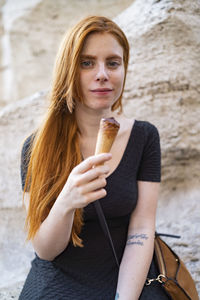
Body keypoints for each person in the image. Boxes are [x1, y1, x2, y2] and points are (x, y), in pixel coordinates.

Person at [19, 16, 170, 300]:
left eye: (113, 62)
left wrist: (124, 298)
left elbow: (141, 228)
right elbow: (46, 249)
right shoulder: (37, 147)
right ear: (68, 70)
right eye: (87, 63)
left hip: (127, 266)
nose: (102, 74)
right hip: (61, 276)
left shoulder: (144, 137)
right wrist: (66, 201)